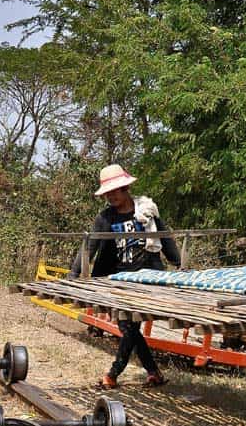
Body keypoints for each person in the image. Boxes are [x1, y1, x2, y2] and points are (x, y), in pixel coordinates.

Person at [71, 164, 181, 389]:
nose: (111, 196)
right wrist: (73, 273)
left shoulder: (147, 211)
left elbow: (165, 239)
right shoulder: (105, 218)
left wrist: (179, 263)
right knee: (129, 327)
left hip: (148, 277)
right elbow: (91, 245)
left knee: (131, 326)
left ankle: (113, 374)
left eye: (115, 191)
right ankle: (152, 373)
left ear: (126, 188)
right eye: (107, 193)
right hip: (119, 278)